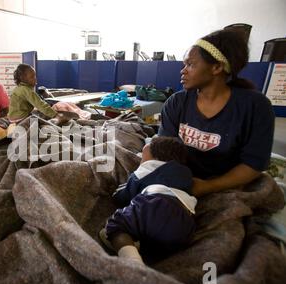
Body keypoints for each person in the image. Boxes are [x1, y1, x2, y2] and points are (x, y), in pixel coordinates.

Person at [158, 28, 275, 197]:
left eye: (190, 64)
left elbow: (253, 164)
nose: (182, 71)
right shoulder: (176, 102)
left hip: (224, 183)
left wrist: (208, 186)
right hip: (181, 176)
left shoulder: (256, 107)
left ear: (217, 67)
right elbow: (163, 150)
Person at [100, 136, 197, 265]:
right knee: (158, 242)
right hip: (184, 219)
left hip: (154, 204)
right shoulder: (186, 174)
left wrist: (115, 194)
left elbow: (123, 196)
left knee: (115, 225)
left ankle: (132, 261)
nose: (140, 159)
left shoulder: (148, 168)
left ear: (156, 157)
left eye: (142, 157)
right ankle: (145, 249)